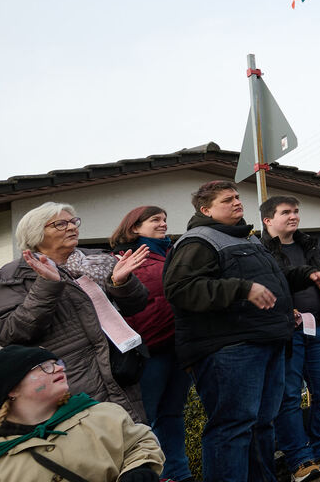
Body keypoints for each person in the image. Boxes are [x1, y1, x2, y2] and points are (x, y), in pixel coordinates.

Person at [163, 181, 320, 482]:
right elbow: (181, 289)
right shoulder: (196, 242)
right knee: (232, 428)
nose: (237, 202)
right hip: (229, 349)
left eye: (237, 197)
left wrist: (304, 275)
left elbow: (268, 279)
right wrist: (242, 289)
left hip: (266, 342)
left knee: (262, 424)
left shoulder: (249, 239)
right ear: (206, 209)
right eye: (227, 200)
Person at [0, 203, 149, 422]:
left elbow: (136, 305)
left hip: (120, 371)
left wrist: (122, 283)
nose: (72, 227)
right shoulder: (12, 276)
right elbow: (9, 333)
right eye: (60, 224)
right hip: (67, 379)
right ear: (36, 233)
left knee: (132, 441)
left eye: (74, 222)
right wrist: (47, 285)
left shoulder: (98, 261)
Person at [260, 196, 320, 481]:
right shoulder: (261, 251)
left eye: (296, 211)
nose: (294, 216)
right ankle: (299, 460)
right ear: (268, 220)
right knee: (288, 397)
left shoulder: (310, 245)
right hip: (287, 332)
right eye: (285, 212)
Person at [0, 345, 164, 480]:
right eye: (44, 367)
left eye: (57, 363)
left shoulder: (103, 415)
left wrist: (138, 469)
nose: (59, 369)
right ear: (11, 389)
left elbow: (140, 442)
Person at [110, 206, 193, 482]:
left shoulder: (170, 254)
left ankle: (179, 474)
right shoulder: (123, 259)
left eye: (165, 219)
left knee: (173, 414)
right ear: (134, 227)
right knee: (147, 421)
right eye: (155, 220)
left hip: (178, 348)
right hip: (148, 353)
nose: (163, 224)